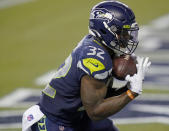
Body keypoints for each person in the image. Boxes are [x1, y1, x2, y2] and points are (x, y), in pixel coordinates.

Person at [22, 1, 151, 131]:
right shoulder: (95, 60)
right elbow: (95, 111)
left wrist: (126, 85)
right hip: (55, 120)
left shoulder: (98, 44)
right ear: (105, 30)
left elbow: (100, 93)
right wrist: (131, 93)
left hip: (77, 115)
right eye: (122, 32)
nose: (127, 37)